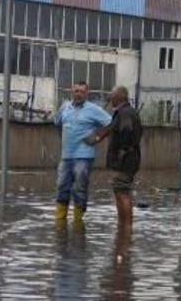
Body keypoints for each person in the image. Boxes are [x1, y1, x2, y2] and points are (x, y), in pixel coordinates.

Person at [53, 81, 112, 224]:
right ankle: (60, 221)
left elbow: (111, 124)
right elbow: (57, 123)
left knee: (79, 186)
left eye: (81, 91)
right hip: (66, 155)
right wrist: (64, 139)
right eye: (75, 91)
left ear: (87, 94)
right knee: (61, 185)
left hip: (84, 156)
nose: (78, 94)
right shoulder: (65, 107)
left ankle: (78, 221)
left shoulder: (93, 109)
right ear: (71, 92)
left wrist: (97, 137)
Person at [90, 86, 142, 225]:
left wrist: (121, 152)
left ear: (118, 97)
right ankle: (123, 226)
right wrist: (94, 138)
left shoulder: (124, 113)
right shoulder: (126, 112)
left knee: (122, 192)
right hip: (128, 159)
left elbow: (126, 130)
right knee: (121, 191)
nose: (110, 99)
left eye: (112, 96)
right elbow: (111, 128)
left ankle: (125, 226)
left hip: (124, 161)